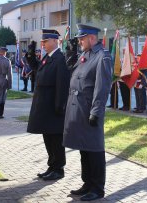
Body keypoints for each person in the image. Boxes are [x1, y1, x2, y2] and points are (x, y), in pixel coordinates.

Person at [63, 24, 112, 201]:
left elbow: (102, 87)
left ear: (92, 38)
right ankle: (87, 183)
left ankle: (97, 188)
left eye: (82, 39)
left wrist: (96, 111)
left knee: (95, 149)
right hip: (79, 108)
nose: (80, 41)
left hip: (90, 110)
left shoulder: (102, 56)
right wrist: (70, 53)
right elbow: (72, 70)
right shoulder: (86, 54)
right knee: (84, 148)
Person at [27, 29, 70, 181]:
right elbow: (37, 68)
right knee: (48, 138)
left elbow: (62, 84)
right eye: (42, 42)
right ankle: (52, 166)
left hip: (54, 107)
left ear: (55, 41)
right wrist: (31, 55)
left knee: (56, 141)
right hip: (45, 106)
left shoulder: (60, 58)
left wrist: (60, 105)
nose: (43, 44)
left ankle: (58, 169)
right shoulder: (48, 57)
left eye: (45, 41)